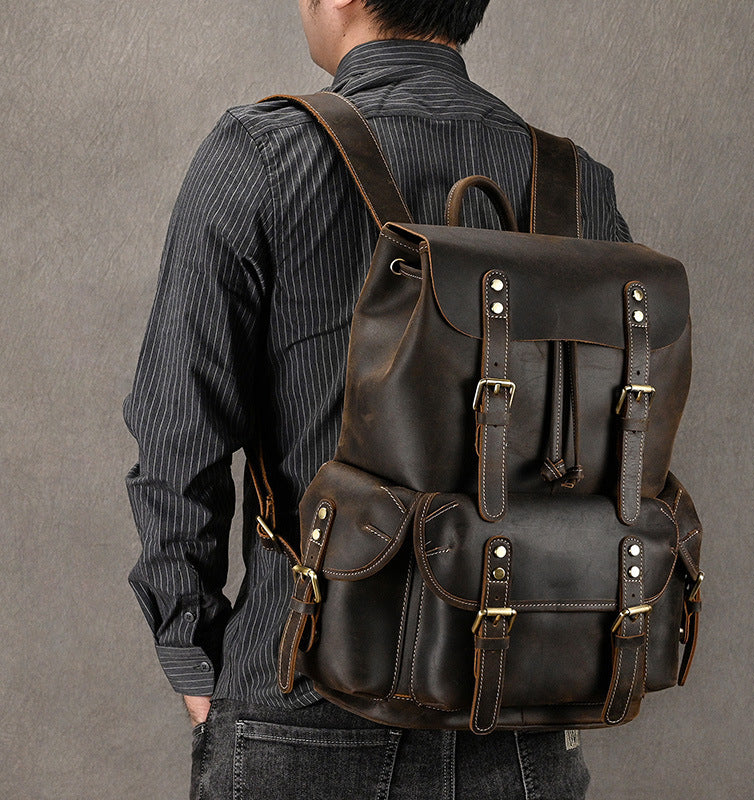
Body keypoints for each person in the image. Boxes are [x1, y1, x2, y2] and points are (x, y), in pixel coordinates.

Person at [123, 1, 632, 797]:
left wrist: (191, 649)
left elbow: (175, 435)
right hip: (522, 710)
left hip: (301, 698)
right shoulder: (579, 185)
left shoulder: (259, 154)